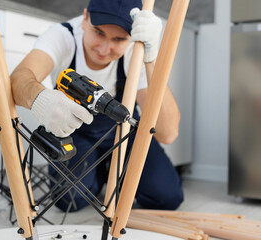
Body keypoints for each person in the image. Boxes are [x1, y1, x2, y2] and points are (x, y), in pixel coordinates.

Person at [11, 0, 184, 212]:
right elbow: (19, 79)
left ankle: (114, 172)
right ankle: (100, 172)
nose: (104, 49)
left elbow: (167, 134)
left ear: (130, 38)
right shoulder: (63, 36)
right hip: (76, 130)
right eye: (98, 33)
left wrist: (152, 59)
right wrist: (41, 99)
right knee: (69, 201)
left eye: (119, 39)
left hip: (125, 130)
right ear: (85, 18)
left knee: (167, 197)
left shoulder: (137, 48)